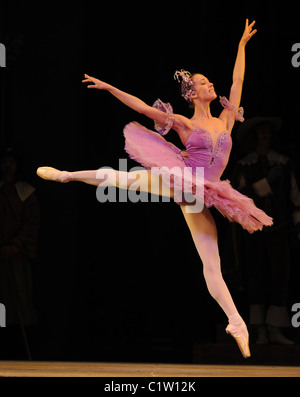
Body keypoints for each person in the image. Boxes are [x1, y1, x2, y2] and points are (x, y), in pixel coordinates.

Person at [36, 20, 272, 358]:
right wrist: (110, 87)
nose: (211, 85)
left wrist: (241, 46)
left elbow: (237, 81)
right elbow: (144, 109)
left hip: (207, 190)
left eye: (209, 82)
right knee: (126, 179)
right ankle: (66, 176)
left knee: (212, 262)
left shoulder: (226, 119)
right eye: (204, 83)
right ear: (192, 93)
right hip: (184, 177)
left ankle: (236, 322)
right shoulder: (185, 123)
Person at [232, 117, 300, 344]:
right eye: (261, 133)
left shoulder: (282, 163)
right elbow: (240, 196)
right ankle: (258, 327)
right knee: (255, 274)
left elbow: (295, 196)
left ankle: (275, 326)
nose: (266, 136)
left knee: (280, 275)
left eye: (268, 132)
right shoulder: (245, 165)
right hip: (254, 230)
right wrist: (263, 185)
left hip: (279, 227)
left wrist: (297, 223)